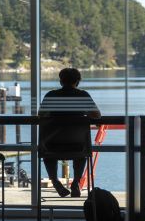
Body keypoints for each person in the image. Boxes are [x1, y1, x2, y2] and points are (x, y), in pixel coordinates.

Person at [39, 68, 101, 197]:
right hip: (77, 146)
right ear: (77, 82)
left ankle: (55, 181)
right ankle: (76, 183)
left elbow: (41, 116)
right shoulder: (83, 95)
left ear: (61, 81)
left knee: (47, 153)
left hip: (52, 146)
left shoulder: (51, 95)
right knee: (81, 153)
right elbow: (97, 115)